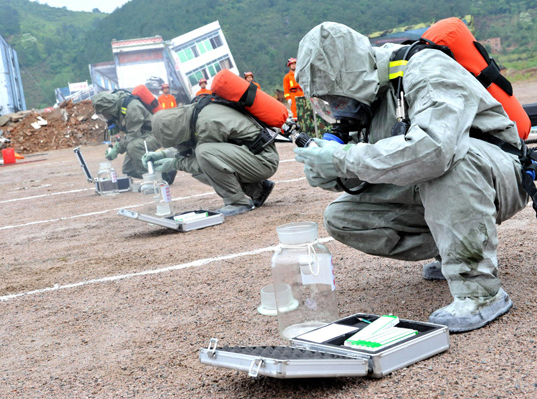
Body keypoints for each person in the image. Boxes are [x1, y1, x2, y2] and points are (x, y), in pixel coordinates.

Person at [293, 22, 529, 332]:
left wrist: (343, 159)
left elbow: (435, 149)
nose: (336, 108)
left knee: (448, 163)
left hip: (500, 173)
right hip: (446, 178)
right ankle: (454, 248)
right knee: (342, 216)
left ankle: (480, 292)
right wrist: (327, 168)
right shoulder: (368, 98)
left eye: (335, 97)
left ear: (349, 76)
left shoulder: (425, 68)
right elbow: (372, 171)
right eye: (326, 101)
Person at [142, 101, 277, 216]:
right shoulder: (194, 115)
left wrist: (175, 163)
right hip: (252, 154)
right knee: (201, 157)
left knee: (203, 154)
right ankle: (257, 190)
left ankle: (237, 202)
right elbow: (192, 147)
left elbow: (204, 162)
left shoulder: (206, 125)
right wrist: (163, 155)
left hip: (263, 160)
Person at [92, 90, 176, 183]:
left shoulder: (132, 107)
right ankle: (164, 171)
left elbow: (133, 135)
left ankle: (155, 177)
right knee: (129, 170)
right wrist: (114, 123)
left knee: (133, 146)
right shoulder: (116, 104)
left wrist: (117, 149)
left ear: (110, 109)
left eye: (105, 113)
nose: (105, 116)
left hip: (155, 134)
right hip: (142, 135)